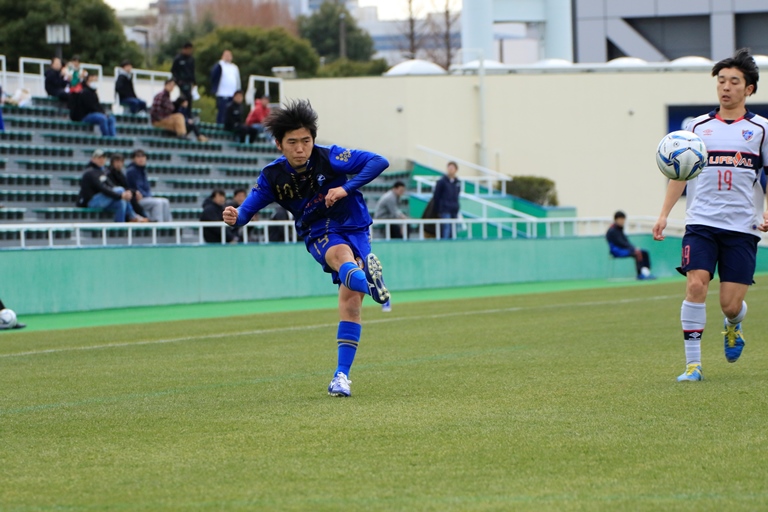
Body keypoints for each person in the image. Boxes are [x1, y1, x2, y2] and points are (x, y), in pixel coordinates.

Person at [223, 99, 390, 398]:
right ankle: (372, 285)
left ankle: (341, 376)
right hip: (318, 229)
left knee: (351, 304)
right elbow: (246, 212)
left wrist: (345, 188)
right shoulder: (273, 176)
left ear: (313, 139)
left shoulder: (331, 156)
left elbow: (379, 161)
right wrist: (235, 216)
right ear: (279, 144)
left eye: (306, 141)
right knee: (341, 256)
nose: (300, 148)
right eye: (292, 142)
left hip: (355, 224)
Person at [653, 48, 768, 383]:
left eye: (734, 81)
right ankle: (693, 366)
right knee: (695, 285)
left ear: (749, 89)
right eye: (721, 81)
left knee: (730, 305)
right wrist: (664, 214)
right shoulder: (696, 127)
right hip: (701, 222)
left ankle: (734, 324)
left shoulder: (761, 129)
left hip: (742, 226)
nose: (726, 87)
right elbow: (680, 174)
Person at [77, 149, 147, 223]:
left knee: (121, 202)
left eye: (103, 158)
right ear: (93, 159)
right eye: (99, 158)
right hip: (91, 201)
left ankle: (120, 226)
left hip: (102, 200)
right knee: (120, 190)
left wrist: (128, 193)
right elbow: (102, 188)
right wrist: (120, 195)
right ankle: (133, 216)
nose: (101, 160)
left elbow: (111, 186)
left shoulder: (102, 171)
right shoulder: (90, 172)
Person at [126, 149, 172, 222]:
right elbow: (136, 188)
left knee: (165, 202)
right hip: (137, 199)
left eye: (143, 157)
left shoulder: (143, 170)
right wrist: (145, 195)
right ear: (133, 159)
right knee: (158, 203)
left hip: (146, 197)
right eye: (138, 157)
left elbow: (147, 188)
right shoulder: (131, 171)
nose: (141, 159)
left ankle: (168, 225)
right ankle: (158, 224)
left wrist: (148, 195)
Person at [606, 211, 654, 279]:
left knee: (645, 252)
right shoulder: (612, 230)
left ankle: (646, 272)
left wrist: (633, 247)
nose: (623, 221)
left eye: (623, 219)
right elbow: (620, 243)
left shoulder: (619, 229)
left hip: (624, 248)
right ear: (616, 219)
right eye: (621, 219)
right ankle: (640, 274)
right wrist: (633, 249)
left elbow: (626, 241)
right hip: (617, 251)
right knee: (637, 253)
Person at [107, 153, 146, 219]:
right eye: (117, 162)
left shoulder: (121, 174)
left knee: (130, 196)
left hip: (121, 196)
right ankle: (136, 217)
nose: (118, 164)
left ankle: (141, 217)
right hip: (113, 197)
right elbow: (113, 188)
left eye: (120, 162)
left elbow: (126, 187)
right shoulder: (108, 174)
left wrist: (134, 192)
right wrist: (133, 192)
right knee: (125, 198)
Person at [210, 50, 241, 125]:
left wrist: (238, 92)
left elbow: (238, 80)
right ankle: (220, 126)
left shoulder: (234, 67)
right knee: (222, 112)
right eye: (226, 55)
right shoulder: (220, 65)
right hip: (222, 93)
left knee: (232, 113)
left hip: (232, 94)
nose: (228, 57)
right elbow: (213, 74)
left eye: (229, 56)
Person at [433, 161, 461, 239]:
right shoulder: (442, 181)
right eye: (449, 168)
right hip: (445, 209)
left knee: (453, 229)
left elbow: (457, 195)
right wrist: (438, 209)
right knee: (446, 228)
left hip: (454, 209)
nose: (450, 170)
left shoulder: (457, 182)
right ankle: (445, 243)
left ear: (456, 170)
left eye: (452, 168)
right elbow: (436, 196)